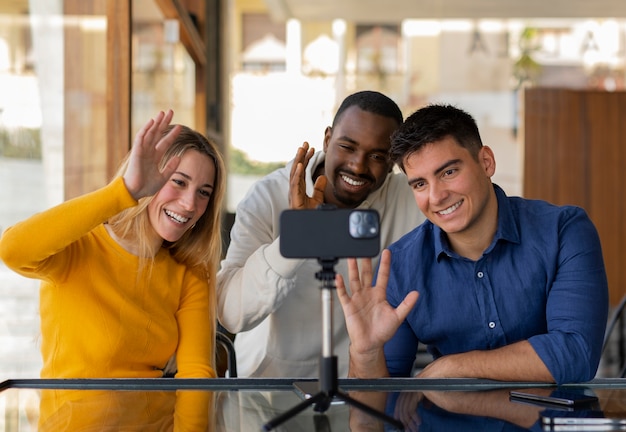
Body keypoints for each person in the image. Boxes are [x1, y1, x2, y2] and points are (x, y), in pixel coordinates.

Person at [336, 103, 609, 385]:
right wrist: (366, 353)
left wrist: (453, 367)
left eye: (448, 172)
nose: (437, 196)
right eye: (420, 184)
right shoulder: (399, 267)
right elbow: (378, 405)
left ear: (486, 162)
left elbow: (576, 354)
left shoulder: (563, 230)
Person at [0, 109, 226, 379]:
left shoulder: (190, 274)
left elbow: (196, 375)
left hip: (158, 421)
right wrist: (125, 191)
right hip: (74, 422)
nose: (190, 204)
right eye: (178, 181)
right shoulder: (79, 248)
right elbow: (12, 250)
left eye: (203, 193)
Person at [217, 90, 425, 377]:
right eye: (347, 147)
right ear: (327, 139)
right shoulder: (268, 196)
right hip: (266, 388)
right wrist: (296, 237)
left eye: (377, 155)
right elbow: (230, 313)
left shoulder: (411, 197)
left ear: (393, 161)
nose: (357, 165)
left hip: (354, 389)